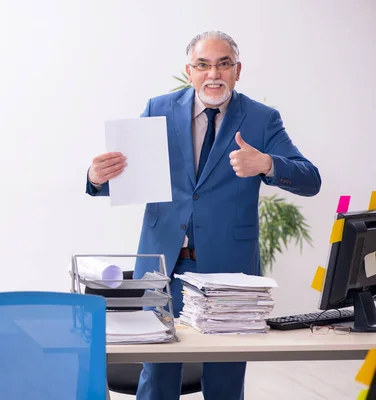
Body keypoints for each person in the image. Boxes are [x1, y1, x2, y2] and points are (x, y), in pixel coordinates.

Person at [85, 31, 321, 400]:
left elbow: (310, 180)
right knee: (158, 376)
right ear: (189, 71)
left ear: (237, 70)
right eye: (203, 64)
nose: (214, 73)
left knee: (225, 378)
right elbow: (134, 178)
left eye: (224, 63)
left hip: (231, 271)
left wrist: (267, 164)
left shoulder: (261, 118)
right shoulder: (157, 108)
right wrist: (97, 179)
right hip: (163, 267)